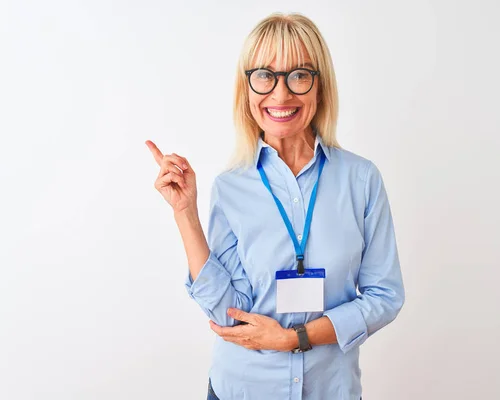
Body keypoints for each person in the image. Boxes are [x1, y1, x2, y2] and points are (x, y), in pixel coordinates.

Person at [146, 12, 405, 400]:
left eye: (299, 75)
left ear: (320, 87)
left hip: (329, 390)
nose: (280, 95)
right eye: (265, 76)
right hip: (243, 389)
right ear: (246, 88)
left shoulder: (361, 180)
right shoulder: (231, 187)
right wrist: (185, 213)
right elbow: (227, 314)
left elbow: (384, 296)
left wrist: (292, 338)